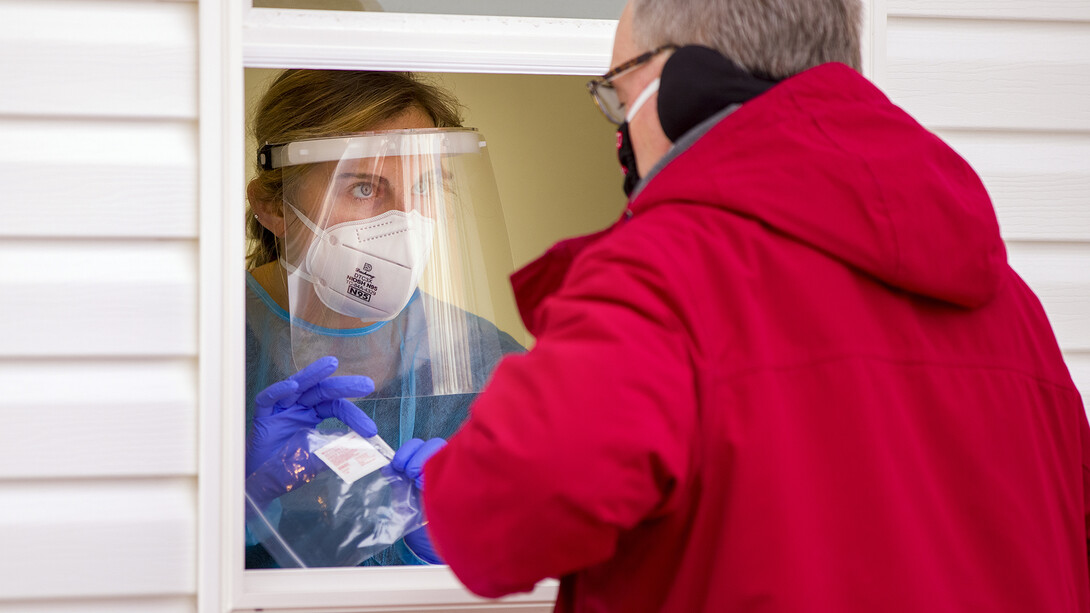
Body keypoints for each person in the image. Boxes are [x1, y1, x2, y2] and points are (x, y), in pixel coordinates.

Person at [419, 0, 1090, 610]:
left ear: (680, 85)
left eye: (617, 94)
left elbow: (490, 523)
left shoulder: (664, 274)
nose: (619, 133)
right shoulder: (1014, 310)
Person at [242, 69, 523, 569]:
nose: (406, 221)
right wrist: (237, 509)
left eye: (426, 185)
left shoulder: (492, 366)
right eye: (364, 189)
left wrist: (460, 553)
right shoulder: (195, 346)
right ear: (271, 206)